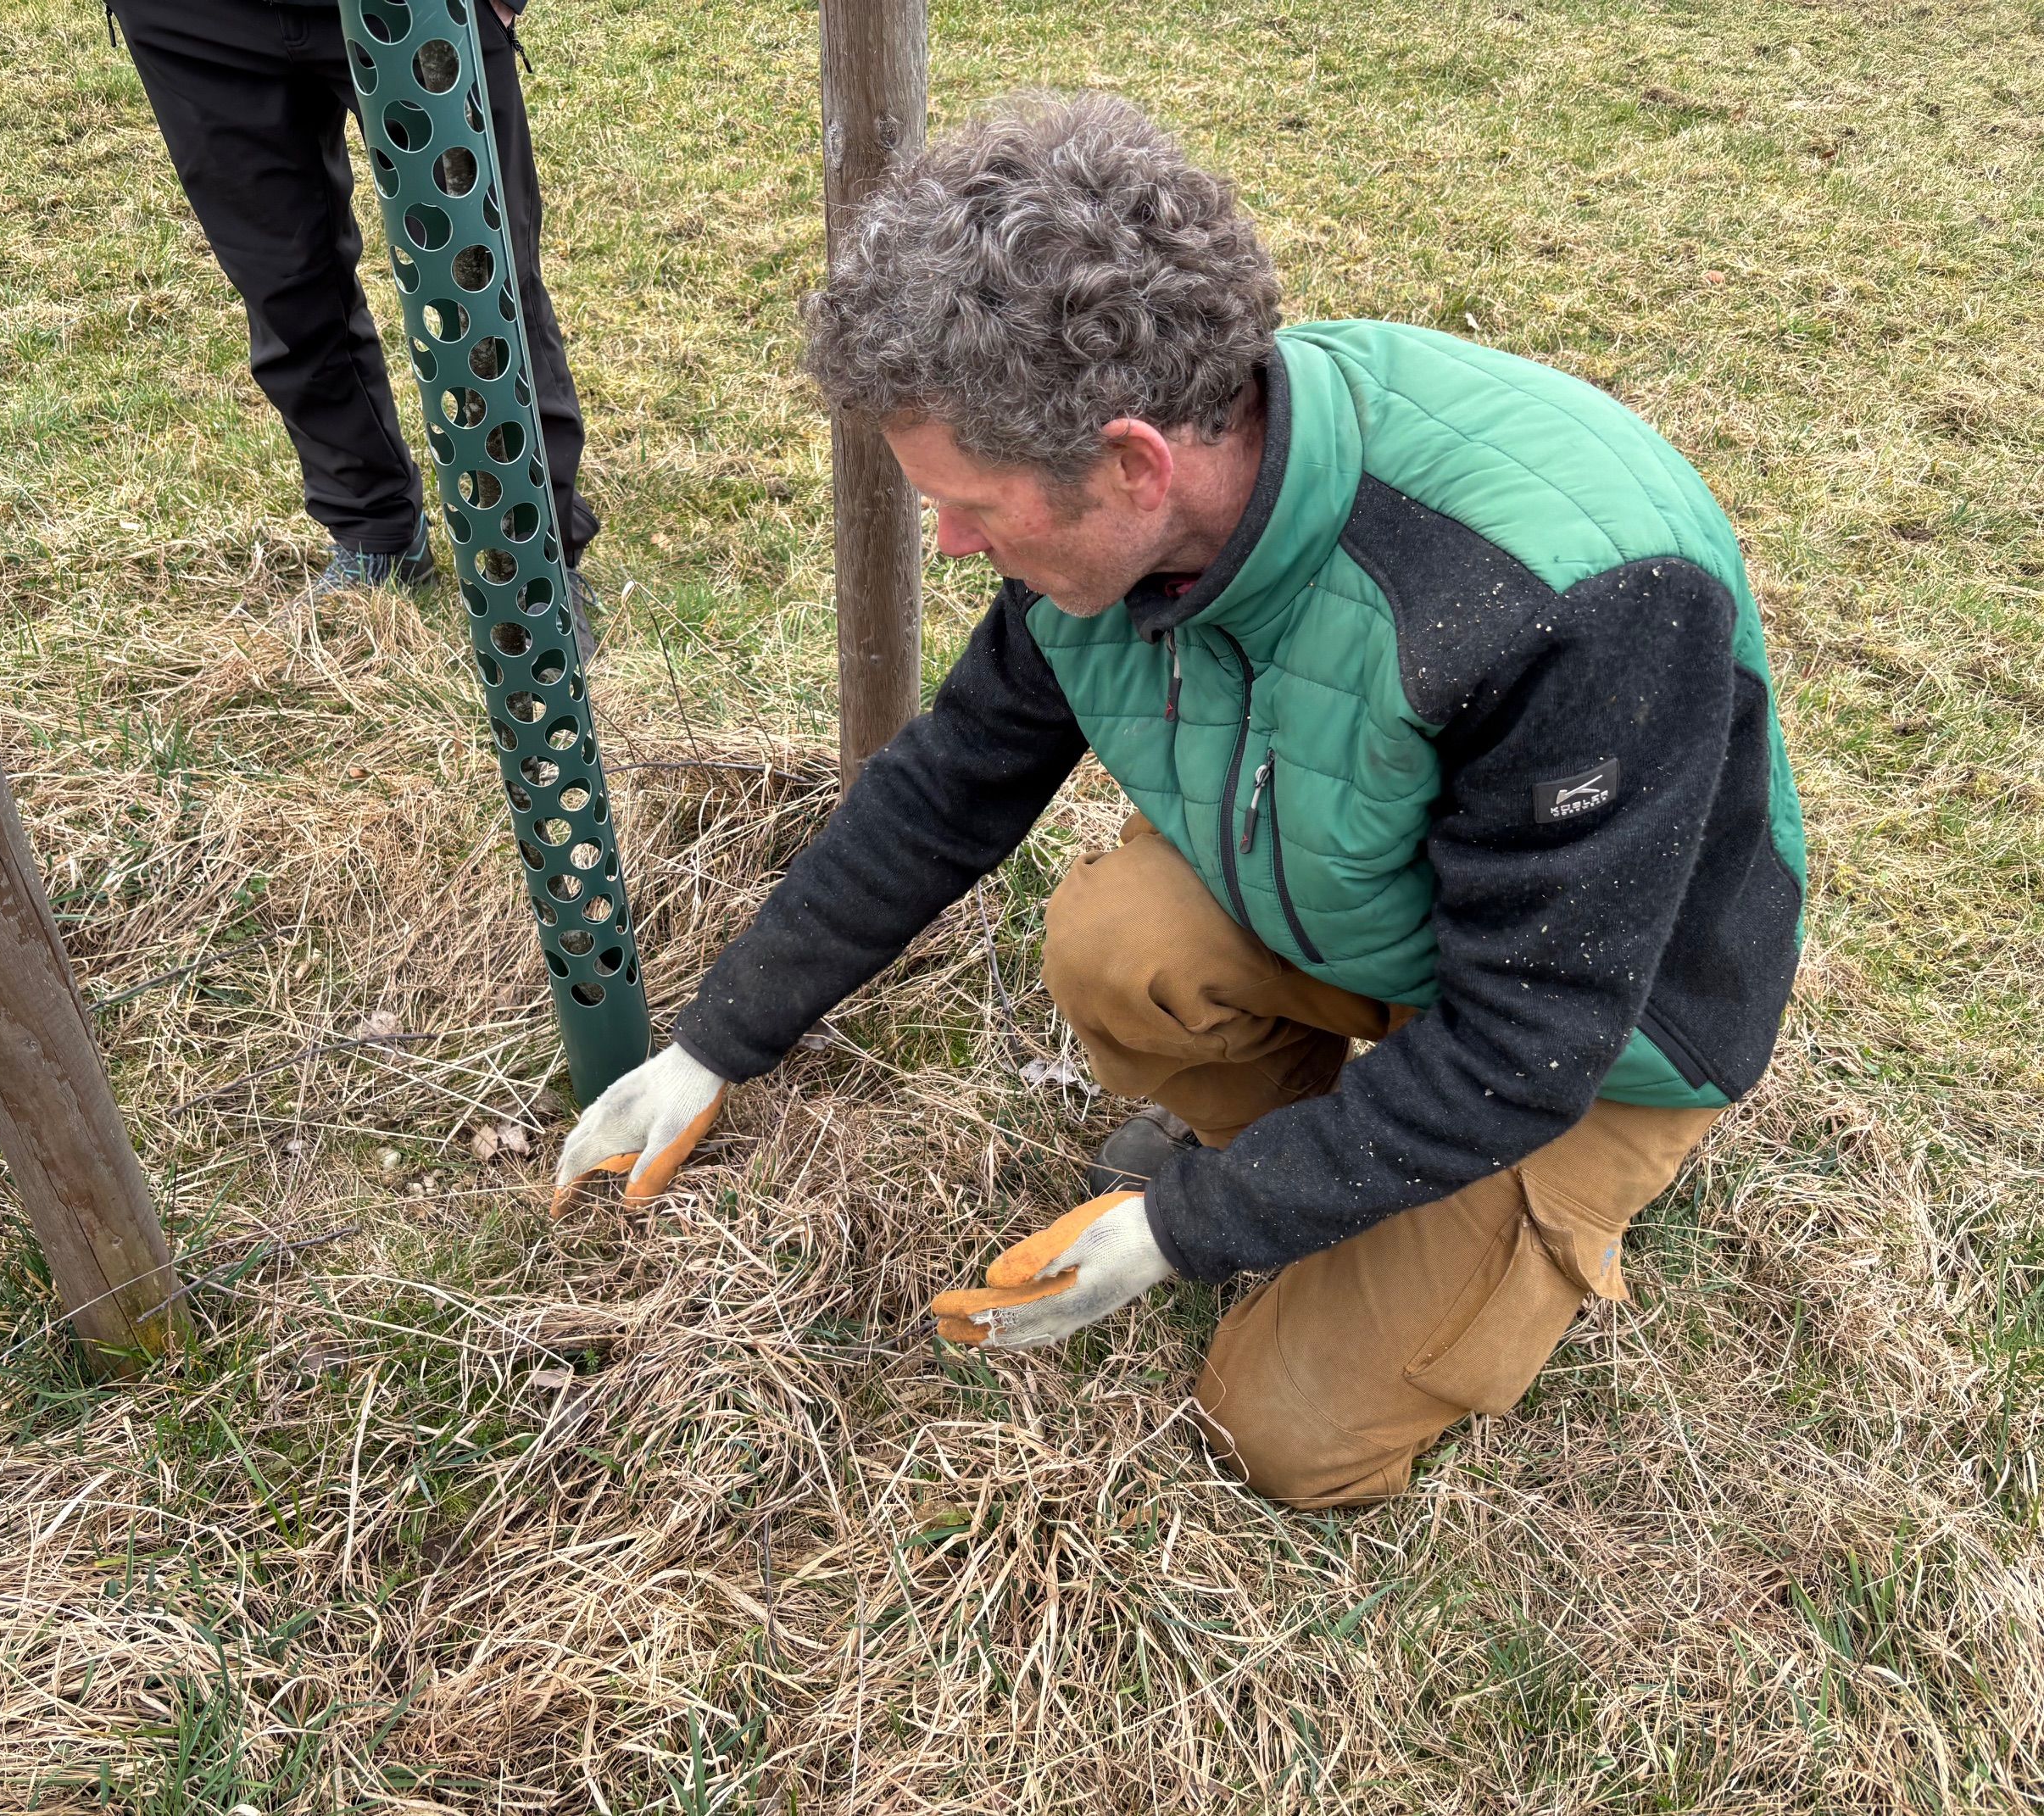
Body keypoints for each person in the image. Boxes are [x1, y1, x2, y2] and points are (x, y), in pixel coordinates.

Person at [552, 94, 1804, 1509]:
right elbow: (949, 788)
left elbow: (1533, 1035)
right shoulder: (1106, 532)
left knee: (1281, 1434)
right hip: (1384, 919)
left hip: (1601, 1029)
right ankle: (1347, 1154)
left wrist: (1184, 1228)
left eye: (970, 505)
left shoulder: (1569, 594)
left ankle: (1490, 1200)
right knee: (1116, 948)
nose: (952, 543)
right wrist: (715, 1046)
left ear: (1137, 462)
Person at [105, 0, 601, 615]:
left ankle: (535, 558)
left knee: (482, 276)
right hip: (194, 20)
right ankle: (377, 534)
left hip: (414, 8)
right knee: (285, 289)